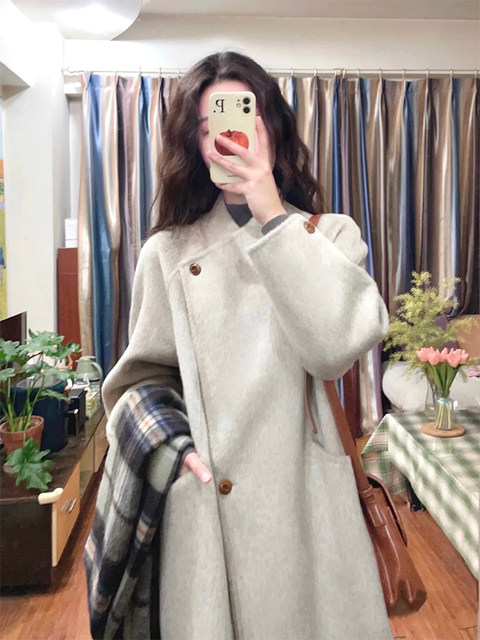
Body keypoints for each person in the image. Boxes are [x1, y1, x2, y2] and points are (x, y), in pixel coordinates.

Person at [102, 51, 393, 640]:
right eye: (207, 126)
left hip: (307, 510)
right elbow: (142, 380)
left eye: (241, 118)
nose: (225, 137)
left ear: (273, 130)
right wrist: (175, 452)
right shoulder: (167, 253)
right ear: (193, 143)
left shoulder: (330, 235)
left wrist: (270, 211)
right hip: (206, 511)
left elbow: (334, 349)